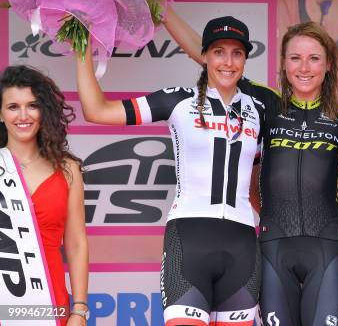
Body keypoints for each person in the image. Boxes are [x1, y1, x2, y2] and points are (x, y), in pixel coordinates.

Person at [164, 10, 338, 325]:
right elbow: (203, 57)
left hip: (326, 251)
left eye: (314, 58)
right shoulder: (267, 106)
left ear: (329, 64)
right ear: (283, 63)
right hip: (272, 251)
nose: (304, 68)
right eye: (295, 58)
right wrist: (163, 9)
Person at [75, 17, 263, 326]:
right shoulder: (177, 100)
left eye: (236, 53)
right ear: (203, 56)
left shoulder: (260, 109)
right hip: (188, 241)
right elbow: (96, 111)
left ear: (245, 58)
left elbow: (258, 180)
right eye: (218, 51)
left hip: (243, 244)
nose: (228, 62)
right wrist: (81, 47)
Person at [0, 65, 88, 326]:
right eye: (13, 107)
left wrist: (79, 310)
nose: (23, 115)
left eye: (32, 105)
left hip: (50, 300)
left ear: (43, 111)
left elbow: (76, 243)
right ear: (1, 114)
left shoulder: (67, 169)